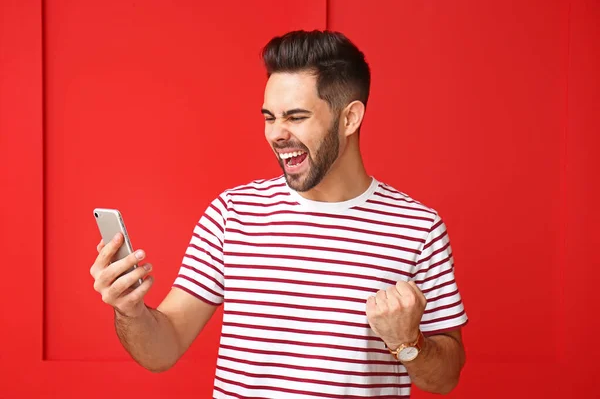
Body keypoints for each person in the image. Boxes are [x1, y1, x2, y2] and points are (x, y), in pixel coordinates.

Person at [90, 30, 468, 398]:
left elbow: (445, 378)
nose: (276, 134)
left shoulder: (417, 228)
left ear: (350, 118)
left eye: (296, 117)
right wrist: (131, 312)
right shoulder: (232, 214)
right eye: (270, 117)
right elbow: (162, 351)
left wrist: (407, 341)